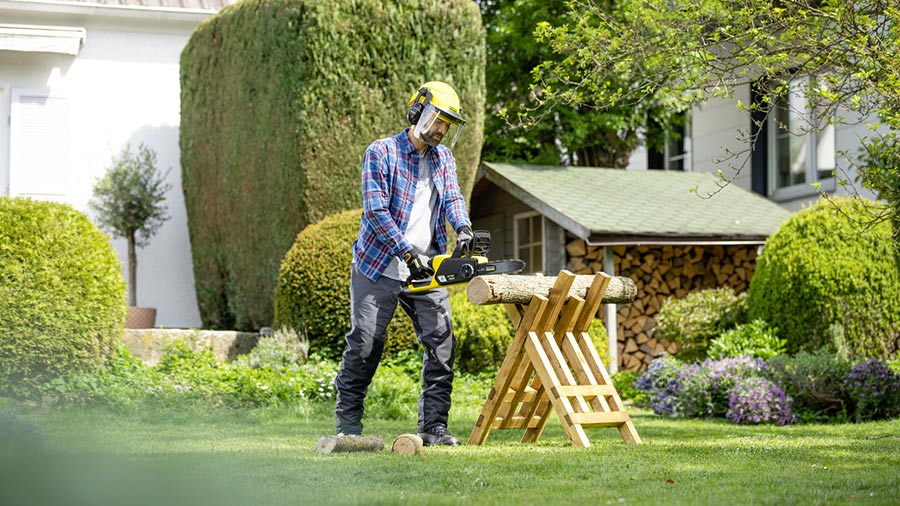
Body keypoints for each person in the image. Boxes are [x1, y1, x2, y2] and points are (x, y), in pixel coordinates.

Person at [333, 81, 473, 446]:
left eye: (447, 123)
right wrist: (405, 251)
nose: (442, 129)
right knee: (366, 342)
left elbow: (453, 198)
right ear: (418, 112)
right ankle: (348, 426)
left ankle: (433, 427)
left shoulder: (444, 159)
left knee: (442, 343)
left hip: (426, 266)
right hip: (379, 264)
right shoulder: (381, 152)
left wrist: (464, 229)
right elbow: (376, 211)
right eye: (437, 119)